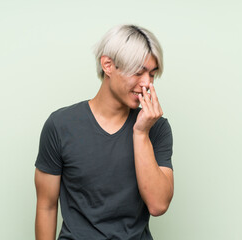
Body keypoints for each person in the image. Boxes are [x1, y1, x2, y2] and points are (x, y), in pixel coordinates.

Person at [34, 24, 174, 240]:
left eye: (152, 74)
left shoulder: (157, 128)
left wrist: (141, 133)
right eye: (138, 72)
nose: (147, 83)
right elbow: (46, 206)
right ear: (108, 65)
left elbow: (158, 205)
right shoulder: (60, 125)